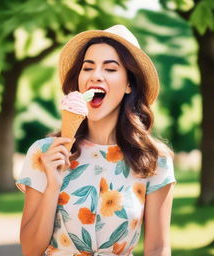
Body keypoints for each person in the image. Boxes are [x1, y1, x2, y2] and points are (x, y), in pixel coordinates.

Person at [16, 24, 176, 256]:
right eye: (87, 68)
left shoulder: (154, 159)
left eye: (110, 69)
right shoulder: (44, 153)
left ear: (129, 84)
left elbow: (158, 248)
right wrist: (53, 186)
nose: (95, 76)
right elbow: (30, 250)